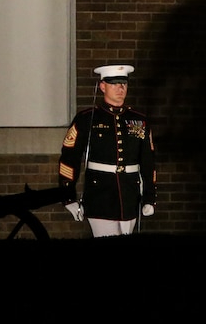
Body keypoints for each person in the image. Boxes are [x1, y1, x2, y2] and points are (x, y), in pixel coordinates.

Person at [58, 64, 157, 237]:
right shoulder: (87, 118)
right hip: (100, 195)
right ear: (102, 86)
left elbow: (148, 161)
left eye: (124, 84)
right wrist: (68, 195)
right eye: (114, 84)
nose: (120, 88)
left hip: (130, 194)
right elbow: (69, 157)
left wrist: (150, 197)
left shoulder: (138, 120)